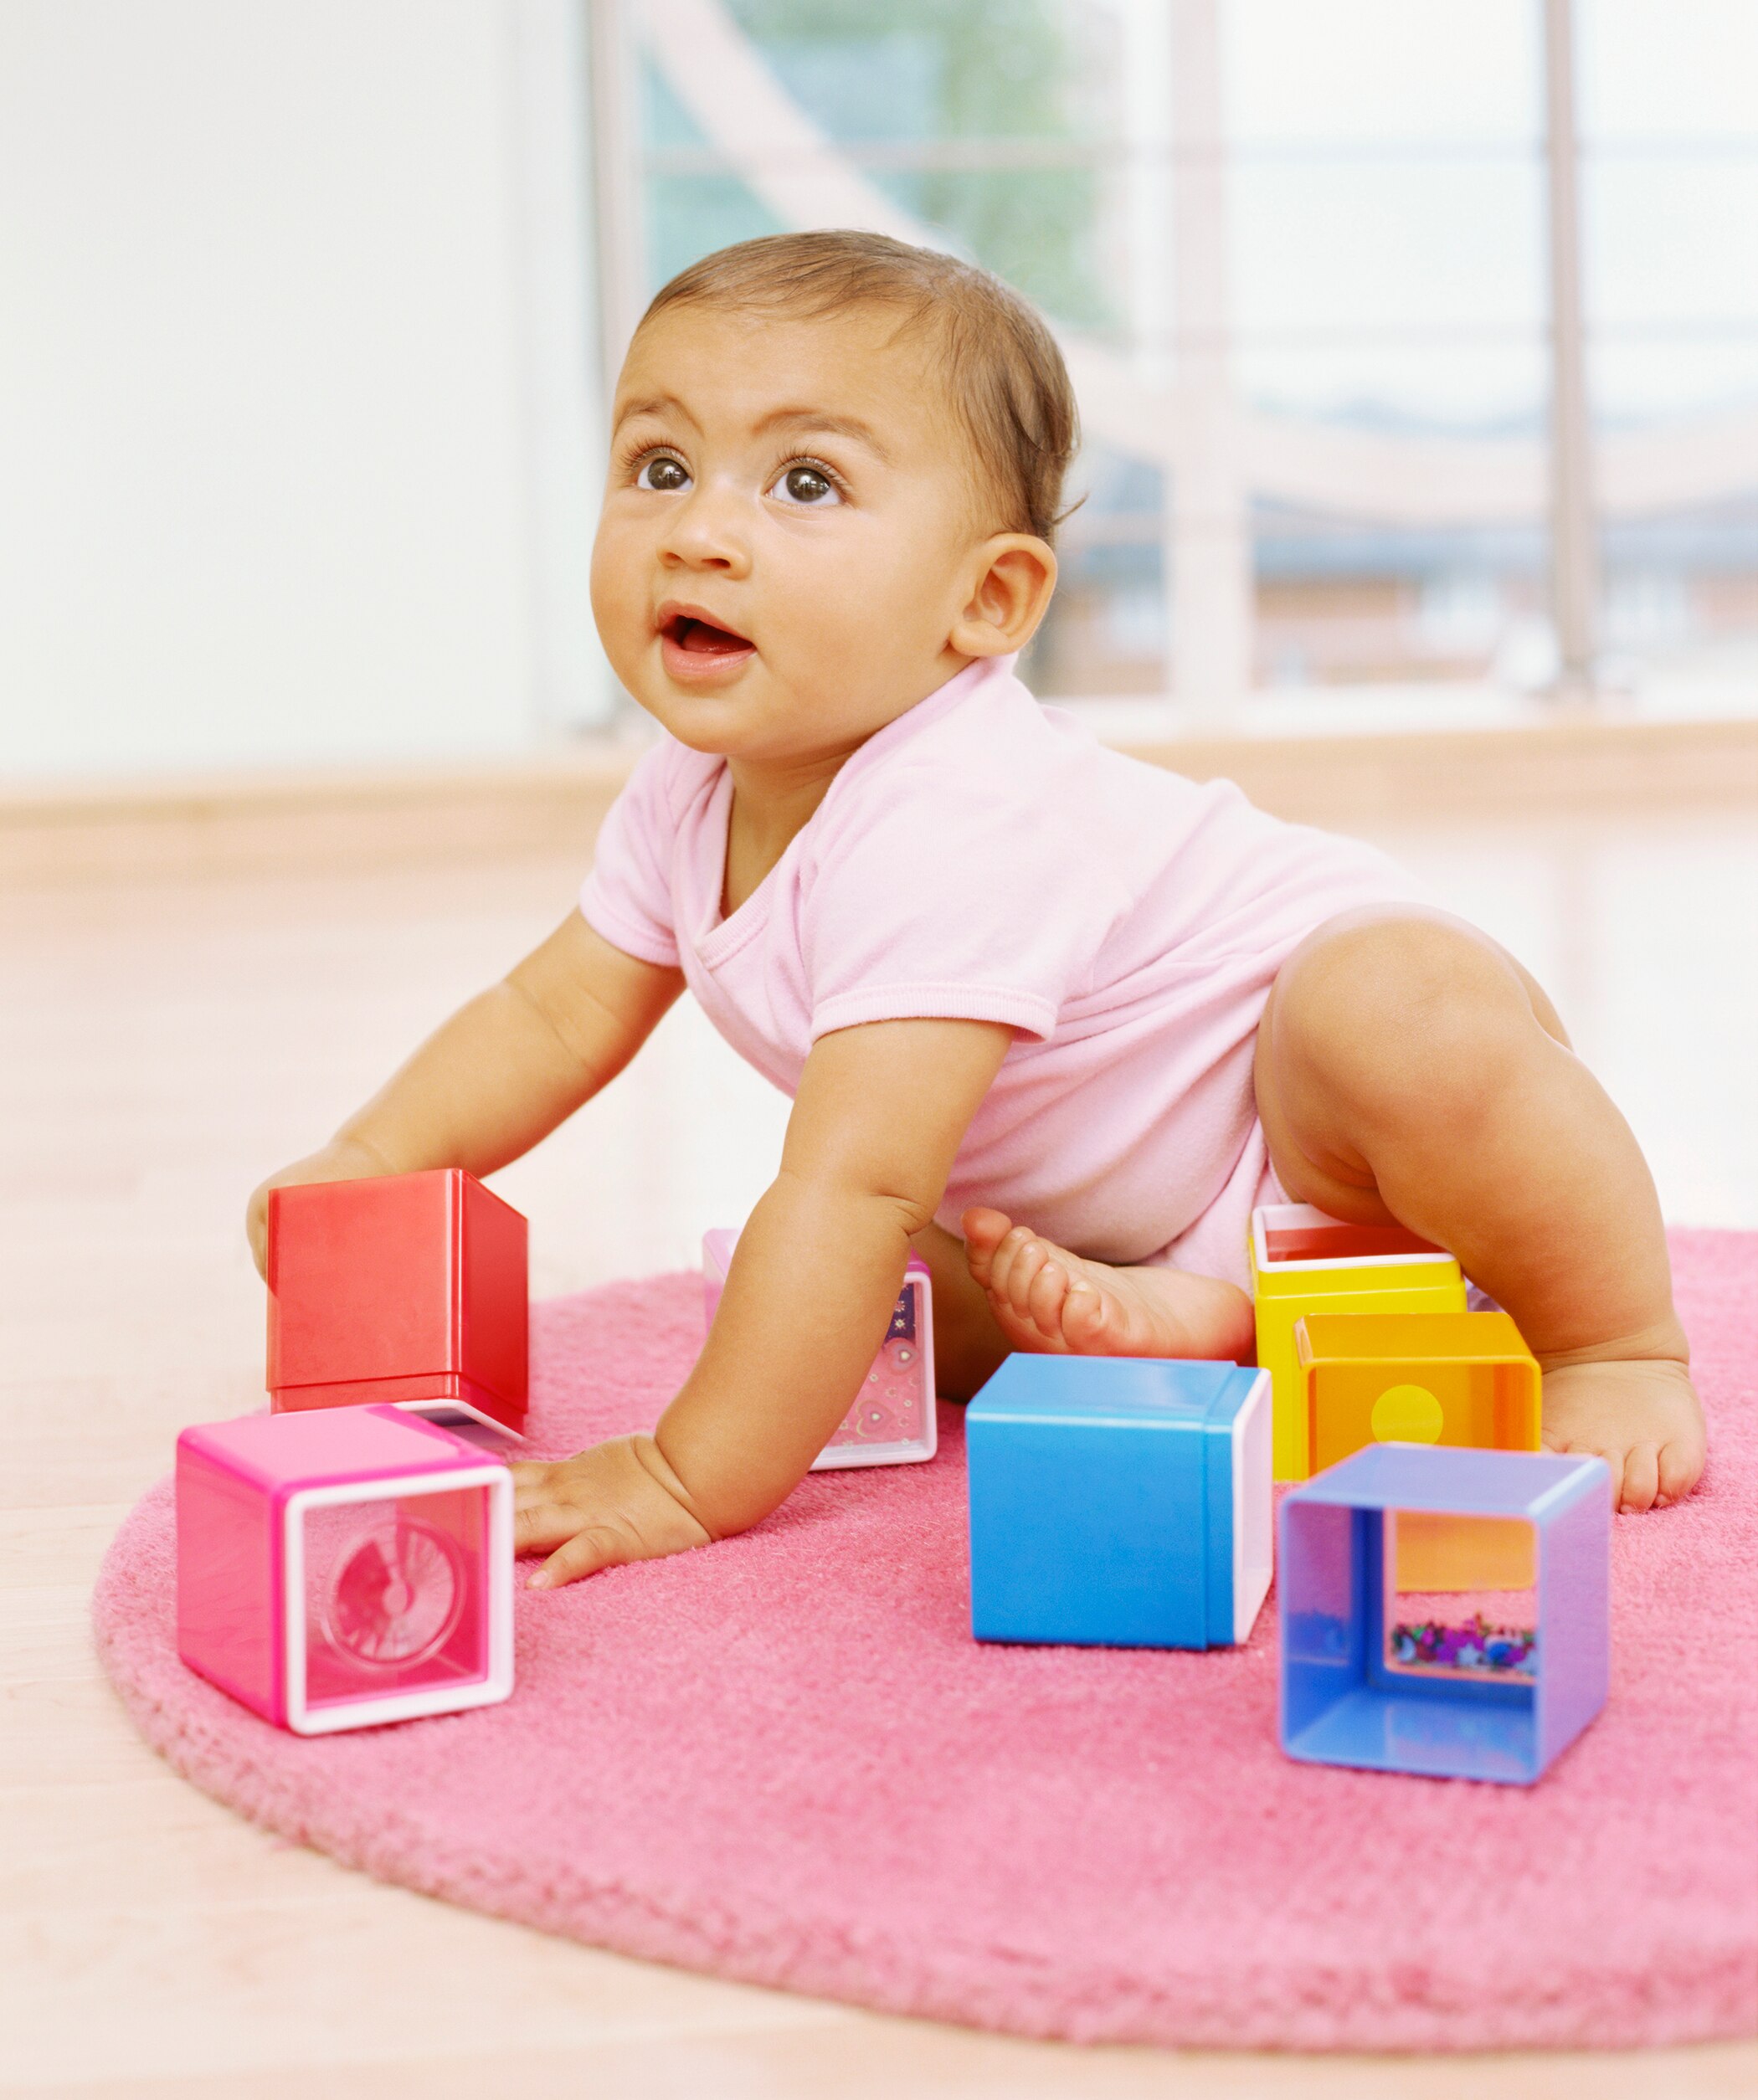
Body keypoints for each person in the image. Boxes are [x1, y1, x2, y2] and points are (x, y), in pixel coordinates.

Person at [248, 232, 1704, 1586]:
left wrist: (689, 1473)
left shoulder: (952, 814)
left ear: (988, 603)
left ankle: (1613, 1332)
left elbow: (849, 1181)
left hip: (1309, 1105)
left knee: (1398, 1019)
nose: (699, 532)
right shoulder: (693, 786)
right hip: (1134, 1204)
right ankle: (1217, 1310)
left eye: (803, 483)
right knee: (920, 1304)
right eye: (660, 463)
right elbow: (550, 1012)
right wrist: (369, 1161)